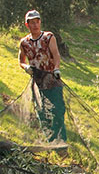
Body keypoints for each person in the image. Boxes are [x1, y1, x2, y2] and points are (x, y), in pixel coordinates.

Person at [17, 9, 66, 144]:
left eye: (37, 22)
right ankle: (50, 140)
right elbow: (21, 60)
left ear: (40, 22)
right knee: (43, 112)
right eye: (32, 23)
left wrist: (56, 68)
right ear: (27, 25)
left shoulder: (48, 37)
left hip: (52, 79)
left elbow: (56, 55)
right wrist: (25, 67)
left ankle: (61, 140)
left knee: (58, 109)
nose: (35, 25)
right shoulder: (24, 42)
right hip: (37, 82)